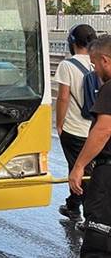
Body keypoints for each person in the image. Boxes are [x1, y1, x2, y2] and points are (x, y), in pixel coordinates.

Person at [70, 35, 111, 258]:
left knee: (98, 242)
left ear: (105, 60)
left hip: (108, 176)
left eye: (95, 63)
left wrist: (79, 166)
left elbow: (104, 130)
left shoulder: (109, 88)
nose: (95, 70)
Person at [55, 24, 97, 220]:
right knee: (82, 168)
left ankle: (90, 218)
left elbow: (63, 97)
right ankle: (72, 205)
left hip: (74, 129)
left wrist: (59, 124)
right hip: (94, 128)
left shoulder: (67, 65)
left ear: (72, 42)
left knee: (79, 169)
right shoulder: (98, 63)